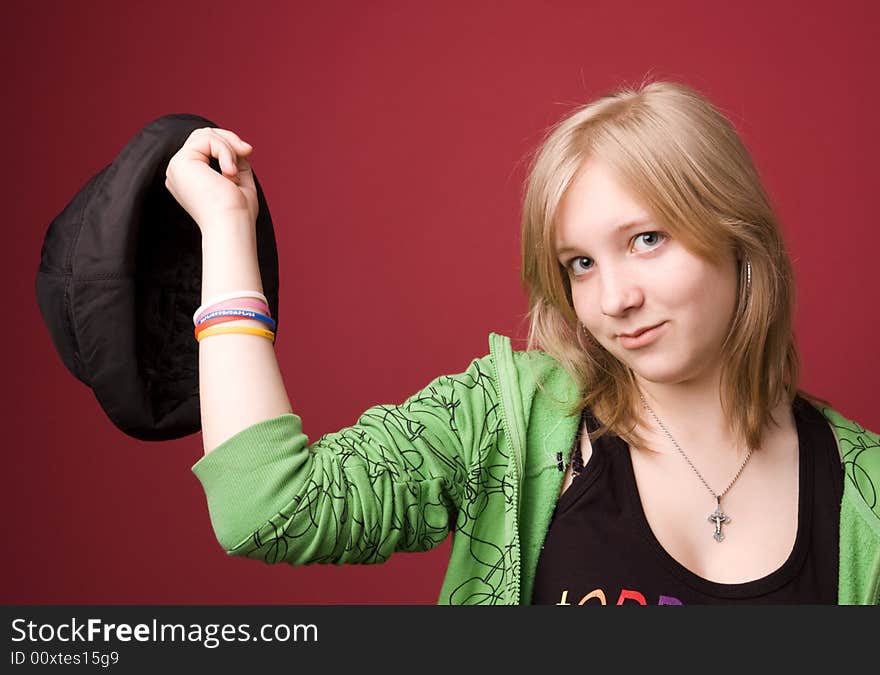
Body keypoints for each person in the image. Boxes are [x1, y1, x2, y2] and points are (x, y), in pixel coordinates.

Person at [166, 80, 880, 605]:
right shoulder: (505, 420)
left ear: (737, 237)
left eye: (647, 239)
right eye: (581, 263)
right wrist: (228, 227)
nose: (614, 298)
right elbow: (268, 508)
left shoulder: (866, 499)